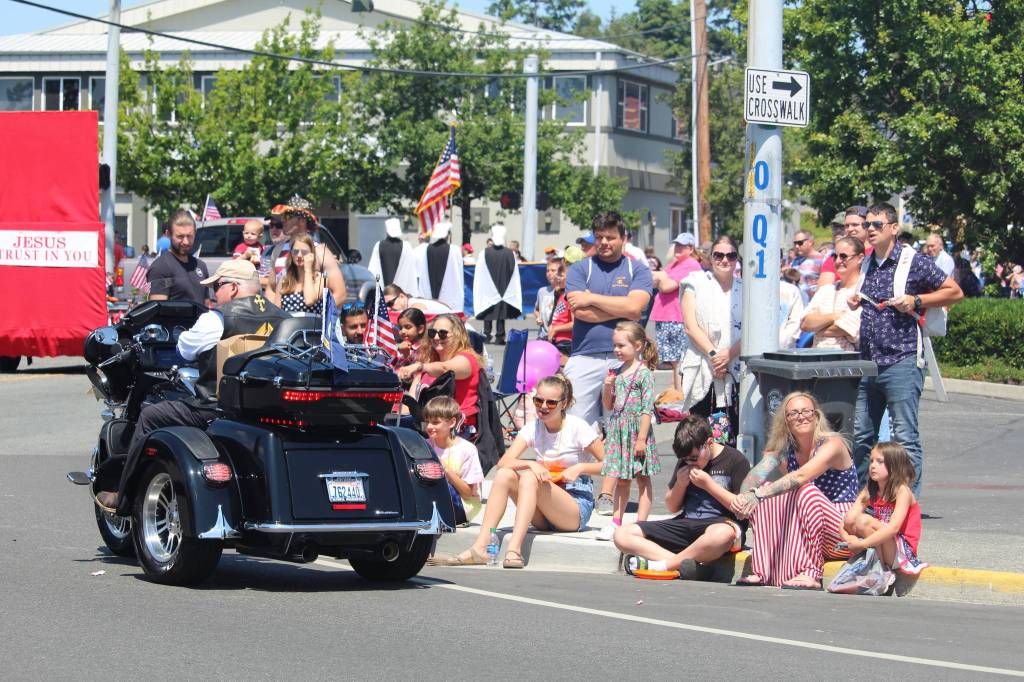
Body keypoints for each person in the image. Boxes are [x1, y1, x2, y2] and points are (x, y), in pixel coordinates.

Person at [94, 260, 288, 514]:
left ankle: (125, 496)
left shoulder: (216, 320)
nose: (214, 294)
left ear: (232, 288)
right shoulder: (284, 318)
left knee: (151, 415)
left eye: (217, 287)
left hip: (217, 409)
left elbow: (185, 349)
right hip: (265, 409)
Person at [428, 375, 604, 568]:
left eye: (551, 403)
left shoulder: (577, 427)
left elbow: (610, 465)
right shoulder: (533, 427)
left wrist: (581, 467)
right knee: (506, 475)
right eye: (538, 400)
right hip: (543, 508)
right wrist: (530, 464)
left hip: (574, 505)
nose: (543, 406)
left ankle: (514, 549)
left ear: (564, 404)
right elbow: (503, 463)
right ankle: (481, 547)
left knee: (529, 478)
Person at [849, 202, 963, 496]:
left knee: (904, 436)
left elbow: (954, 291)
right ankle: (867, 498)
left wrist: (917, 300)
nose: (870, 230)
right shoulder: (867, 262)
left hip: (902, 359)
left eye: (876, 225)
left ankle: (906, 503)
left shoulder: (913, 261)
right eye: (867, 225)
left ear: (893, 228)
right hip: (869, 362)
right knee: (862, 435)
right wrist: (855, 300)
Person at [562, 212, 653, 517]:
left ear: (623, 239)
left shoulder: (637, 269)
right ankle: (575, 489)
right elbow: (580, 311)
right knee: (573, 423)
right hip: (584, 357)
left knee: (619, 427)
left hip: (623, 360)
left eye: (610, 237)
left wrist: (593, 298)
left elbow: (635, 307)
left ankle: (608, 495)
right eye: (599, 237)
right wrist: (620, 310)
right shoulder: (579, 268)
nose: (604, 242)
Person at [731, 392, 860, 589]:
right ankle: (762, 571)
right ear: (786, 421)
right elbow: (757, 473)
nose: (801, 417)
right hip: (810, 531)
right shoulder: (785, 451)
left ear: (816, 416)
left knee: (802, 490)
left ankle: (810, 573)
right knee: (767, 491)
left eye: (806, 411)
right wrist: (745, 496)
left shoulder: (833, 444)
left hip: (843, 529)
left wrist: (757, 495)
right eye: (793, 414)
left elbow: (801, 477)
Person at [614, 415, 750, 577]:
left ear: (709, 443)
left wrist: (709, 485)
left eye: (694, 458)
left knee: (722, 534)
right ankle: (684, 565)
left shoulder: (735, 460)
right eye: (685, 460)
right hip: (687, 523)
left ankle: (663, 566)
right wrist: (680, 484)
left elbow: (743, 509)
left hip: (720, 525)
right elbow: (672, 506)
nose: (690, 463)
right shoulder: (686, 462)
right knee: (622, 535)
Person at [597, 322, 661, 541]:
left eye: (621, 346)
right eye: (615, 345)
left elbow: (646, 409)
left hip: (637, 432)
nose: (617, 350)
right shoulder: (616, 372)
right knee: (622, 479)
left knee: (642, 478)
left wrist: (641, 439)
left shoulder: (643, 374)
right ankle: (616, 521)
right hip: (619, 430)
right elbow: (609, 405)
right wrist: (607, 386)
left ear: (638, 346)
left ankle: (642, 524)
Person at [678, 235, 741, 427]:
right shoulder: (695, 283)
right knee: (701, 431)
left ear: (737, 258)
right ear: (710, 257)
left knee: (732, 429)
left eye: (731, 255)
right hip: (703, 365)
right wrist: (715, 357)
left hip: (736, 369)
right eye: (719, 255)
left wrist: (728, 355)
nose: (725, 260)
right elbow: (690, 326)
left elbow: (752, 331)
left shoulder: (746, 289)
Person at [843, 441, 928, 576]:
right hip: (884, 545)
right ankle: (877, 567)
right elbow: (847, 519)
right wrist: (849, 539)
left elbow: (893, 528)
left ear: (894, 466)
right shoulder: (871, 489)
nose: (873, 466)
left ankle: (881, 572)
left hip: (901, 553)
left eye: (879, 462)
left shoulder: (902, 491)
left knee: (864, 520)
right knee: (852, 519)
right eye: (871, 461)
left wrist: (862, 544)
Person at [398, 314, 482, 432]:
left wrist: (420, 366)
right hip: (427, 428)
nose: (436, 337)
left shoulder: (467, 359)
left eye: (442, 333)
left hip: (457, 430)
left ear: (458, 335)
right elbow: (410, 404)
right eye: (432, 333)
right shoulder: (428, 364)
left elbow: (445, 369)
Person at [265, 195, 346, 307]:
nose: (283, 220)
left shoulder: (320, 251)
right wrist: (274, 316)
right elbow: (271, 288)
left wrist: (320, 318)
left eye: (288, 216)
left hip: (312, 321)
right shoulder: (278, 250)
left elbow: (340, 294)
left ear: (302, 220)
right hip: (284, 322)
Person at [651, 233, 703, 390]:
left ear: (691, 248)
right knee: (674, 360)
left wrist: (661, 279)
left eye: (682, 246)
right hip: (666, 316)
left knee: (679, 358)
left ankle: (681, 394)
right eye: (677, 245)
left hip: (676, 317)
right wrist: (661, 279)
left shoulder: (691, 264)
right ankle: (677, 392)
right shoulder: (674, 265)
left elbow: (666, 286)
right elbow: (655, 281)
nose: (678, 248)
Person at [424, 396, 484, 527]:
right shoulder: (424, 445)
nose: (429, 427)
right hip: (433, 502)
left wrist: (444, 469)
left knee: (441, 483)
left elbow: (468, 493)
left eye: (435, 422)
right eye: (427, 422)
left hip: (461, 506)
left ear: (451, 423)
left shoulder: (467, 449)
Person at [800, 236, 864, 351]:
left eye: (843, 256)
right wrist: (834, 316)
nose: (838, 261)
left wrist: (818, 326)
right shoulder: (826, 290)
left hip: (846, 362)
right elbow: (805, 324)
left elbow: (848, 328)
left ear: (860, 258)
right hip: (817, 360)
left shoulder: (863, 291)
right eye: (835, 256)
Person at [146, 210, 210, 306]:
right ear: (168, 235)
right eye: (180, 236)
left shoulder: (201, 266)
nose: (186, 242)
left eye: (189, 236)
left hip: (200, 320)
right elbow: (157, 311)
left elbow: (206, 305)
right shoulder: (161, 267)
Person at [474, 225, 522, 345]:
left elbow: (479, 271)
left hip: (488, 286)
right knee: (501, 313)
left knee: (488, 309)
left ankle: (487, 334)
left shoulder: (484, 252)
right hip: (504, 287)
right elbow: (513, 271)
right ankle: (500, 336)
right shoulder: (509, 253)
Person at [266, 234, 324, 315]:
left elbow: (309, 300)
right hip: (289, 325)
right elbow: (277, 312)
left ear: (312, 254)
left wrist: (308, 270)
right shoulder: (284, 280)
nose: (299, 255)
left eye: (304, 252)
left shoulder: (320, 279)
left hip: (310, 325)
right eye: (295, 251)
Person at [546, 259, 573, 360]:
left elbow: (575, 324)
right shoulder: (562, 294)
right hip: (557, 340)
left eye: (561, 276)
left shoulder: (571, 296)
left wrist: (556, 329)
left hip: (566, 343)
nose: (557, 278)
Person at [791, 230, 823, 299]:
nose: (796, 246)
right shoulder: (795, 261)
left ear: (810, 242)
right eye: (795, 243)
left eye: (800, 243)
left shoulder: (822, 259)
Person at [534, 258, 560, 340]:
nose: (549, 273)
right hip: (542, 336)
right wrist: (538, 317)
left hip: (558, 338)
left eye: (553, 270)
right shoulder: (542, 291)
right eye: (548, 271)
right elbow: (536, 309)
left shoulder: (565, 292)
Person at [258, 215, 288, 287]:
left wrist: (254, 280)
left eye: (279, 225)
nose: (274, 229)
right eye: (271, 225)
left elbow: (285, 282)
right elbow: (262, 273)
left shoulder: (294, 251)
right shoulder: (267, 249)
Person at [395, 307, 427, 374]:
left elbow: (415, 373)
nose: (403, 331)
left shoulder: (425, 349)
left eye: (408, 327)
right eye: (400, 328)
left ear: (420, 329)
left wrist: (406, 355)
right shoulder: (399, 346)